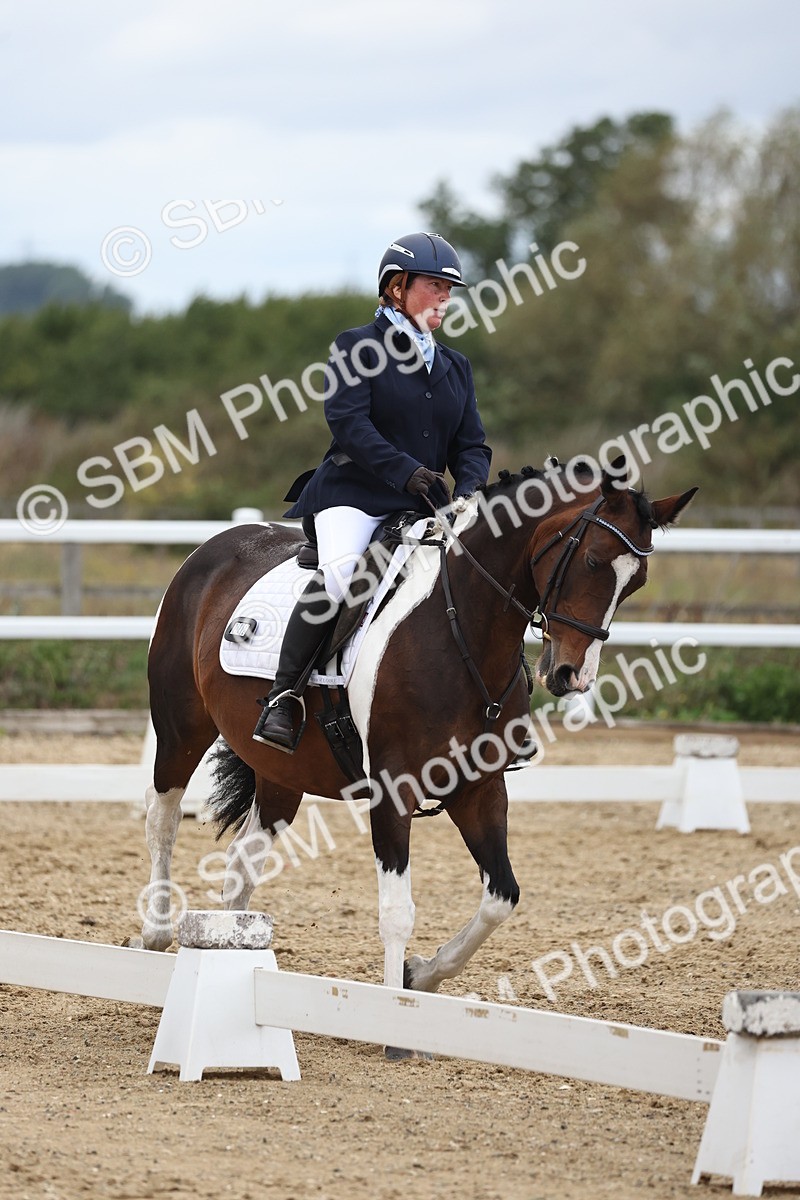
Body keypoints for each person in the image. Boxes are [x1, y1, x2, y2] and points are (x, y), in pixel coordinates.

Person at [253, 232, 492, 750]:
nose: (446, 298)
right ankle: (283, 698)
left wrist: (470, 488)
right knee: (341, 576)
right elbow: (348, 424)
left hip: (421, 504)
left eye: (450, 289)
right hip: (353, 496)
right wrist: (405, 470)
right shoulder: (356, 346)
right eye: (436, 286)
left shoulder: (454, 366)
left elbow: (472, 443)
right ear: (397, 288)